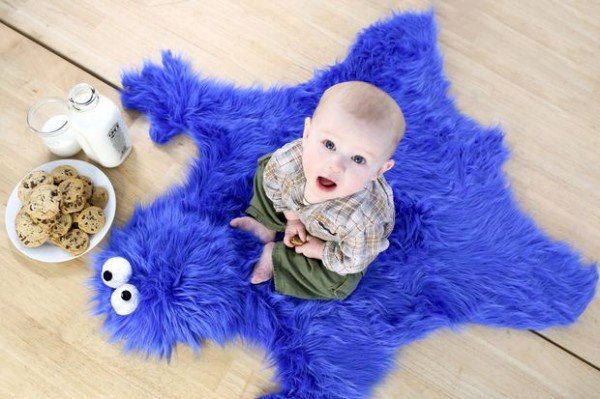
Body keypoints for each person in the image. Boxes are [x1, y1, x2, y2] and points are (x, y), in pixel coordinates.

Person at [230, 81, 406, 300]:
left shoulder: (364, 221)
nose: (336, 166)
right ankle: (266, 223)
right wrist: (292, 219)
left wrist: (321, 250)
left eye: (358, 159)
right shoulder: (291, 160)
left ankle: (277, 261)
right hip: (293, 203)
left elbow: (354, 259)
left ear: (378, 170)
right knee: (268, 169)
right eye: (329, 145)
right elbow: (274, 181)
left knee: (339, 282)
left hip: (336, 241)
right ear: (308, 132)